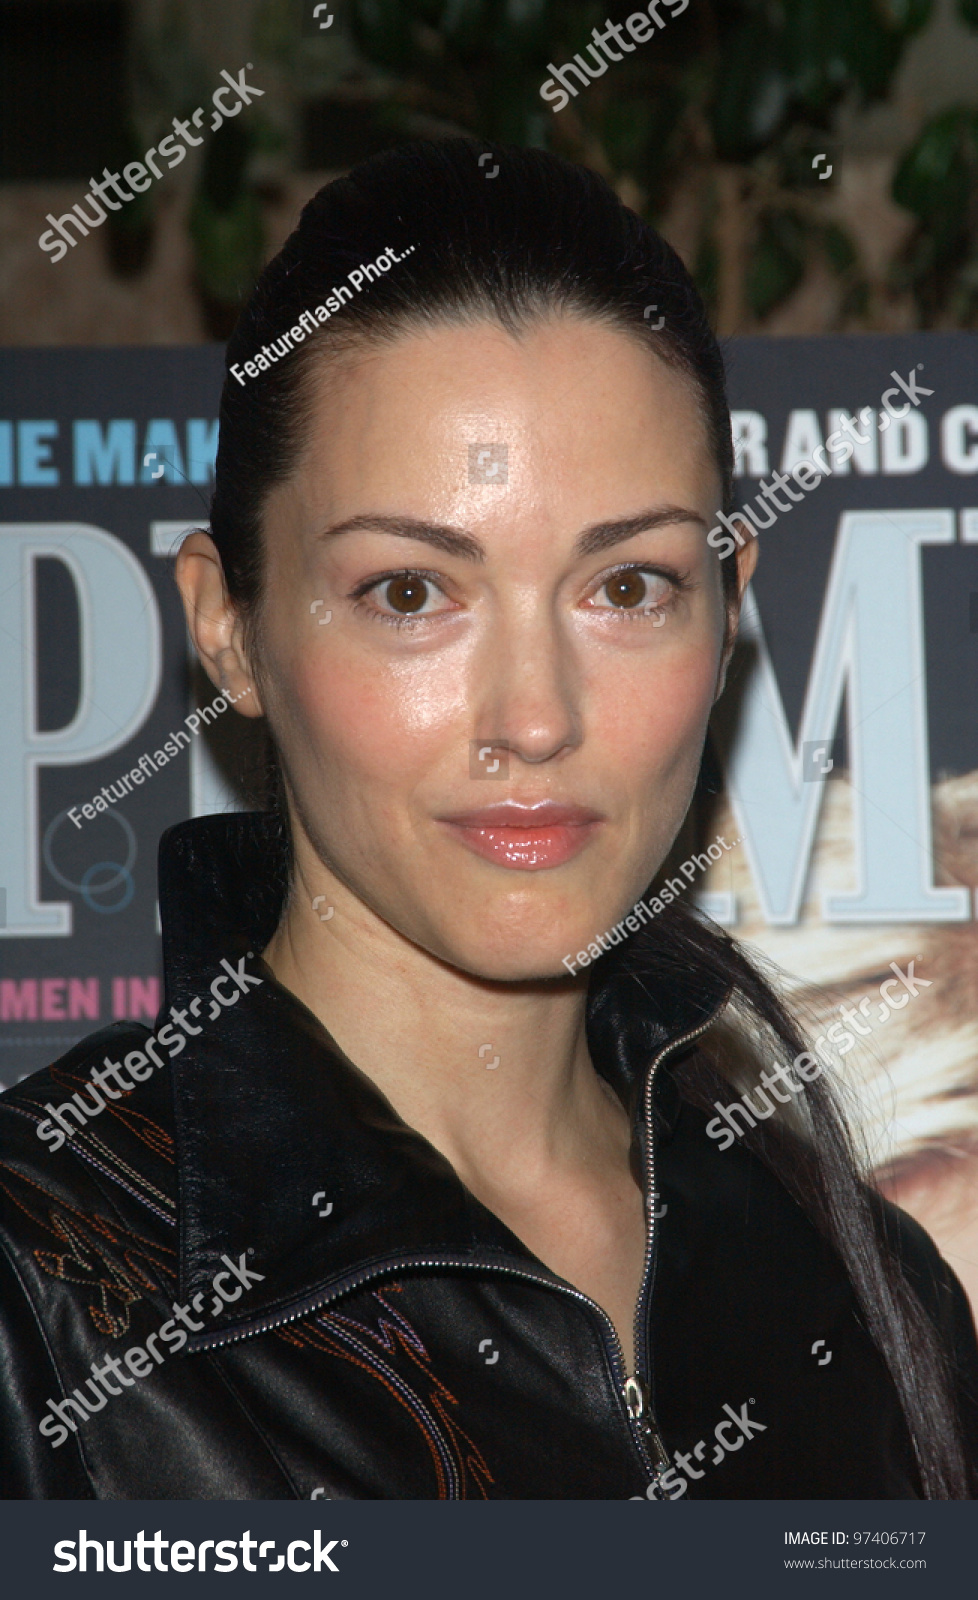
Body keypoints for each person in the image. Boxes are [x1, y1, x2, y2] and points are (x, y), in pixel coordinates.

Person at [1, 139, 975, 1501]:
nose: (534, 716)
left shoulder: (873, 1294)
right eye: (410, 593)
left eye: (628, 587)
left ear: (728, 606)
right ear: (229, 628)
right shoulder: (37, 1296)